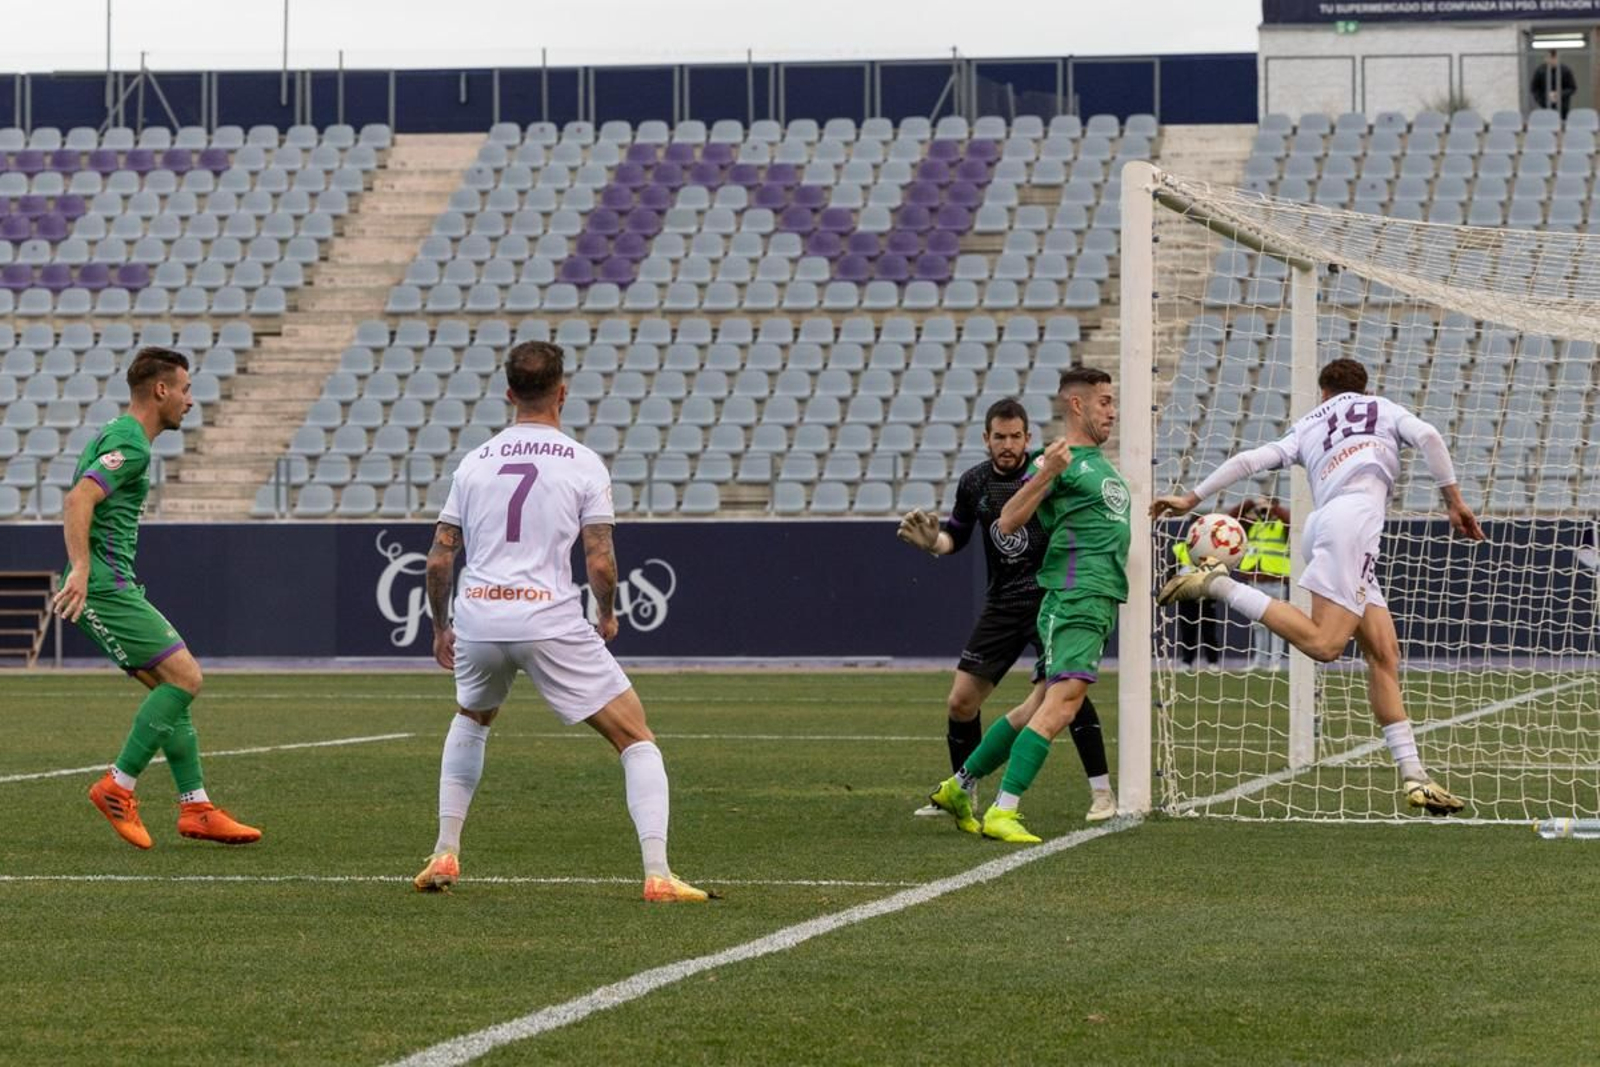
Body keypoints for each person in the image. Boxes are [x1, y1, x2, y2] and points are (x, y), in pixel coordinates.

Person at [414, 340, 710, 902]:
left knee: (473, 719)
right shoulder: (581, 463)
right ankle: (658, 873)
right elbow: (598, 556)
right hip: (546, 616)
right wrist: (607, 614)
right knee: (635, 738)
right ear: (563, 393)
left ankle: (445, 852)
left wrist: (439, 626)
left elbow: (439, 556)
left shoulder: (474, 463)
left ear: (508, 394)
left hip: (479, 617)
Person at [1152, 358, 1485, 815]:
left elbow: (1251, 460)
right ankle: (1220, 587)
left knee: (1384, 653)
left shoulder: (1310, 421)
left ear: (1324, 392)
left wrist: (1191, 498)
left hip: (1322, 523)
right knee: (1327, 645)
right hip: (1355, 521)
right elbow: (1429, 436)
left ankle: (1415, 776)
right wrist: (1455, 502)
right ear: (1364, 390)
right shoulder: (1382, 409)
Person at [52, 347, 260, 850]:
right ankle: (117, 786)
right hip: (104, 586)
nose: (190, 401)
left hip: (107, 583)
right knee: (187, 677)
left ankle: (196, 807)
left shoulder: (116, 434)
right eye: (185, 390)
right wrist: (81, 569)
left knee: (171, 693)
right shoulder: (132, 444)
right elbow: (80, 497)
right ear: (161, 390)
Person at [927, 367, 1130, 843]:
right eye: (1104, 401)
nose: (1113, 411)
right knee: (1064, 703)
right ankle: (1004, 809)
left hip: (1094, 597)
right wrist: (1050, 473)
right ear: (1077, 406)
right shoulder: (1053, 459)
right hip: (1075, 594)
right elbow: (1010, 518)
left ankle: (960, 787)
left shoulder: (1099, 464)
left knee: (1036, 703)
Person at [1231, 496, 1291, 670]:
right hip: (1255, 579)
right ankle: (1260, 660)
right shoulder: (1253, 525)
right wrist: (1251, 503)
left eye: (1266, 508)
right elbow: (1234, 519)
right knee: (1258, 624)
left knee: (1278, 624)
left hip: (1276, 579)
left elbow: (1288, 520)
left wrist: (1272, 507)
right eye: (1261, 508)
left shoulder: (1281, 525)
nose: (1263, 511)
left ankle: (1275, 662)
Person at [1168, 538, 1221, 671]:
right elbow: (1170, 572)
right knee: (1187, 631)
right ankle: (1187, 662)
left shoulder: (1212, 549)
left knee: (1209, 631)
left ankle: (1213, 662)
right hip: (1186, 598)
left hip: (1206, 596)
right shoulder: (1179, 549)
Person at [1531, 50, 1577, 118]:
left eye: (1554, 58)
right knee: (1547, 124)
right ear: (1545, 58)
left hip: (1562, 106)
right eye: (1549, 58)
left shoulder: (1565, 70)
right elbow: (1534, 88)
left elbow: (1572, 88)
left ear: (1557, 58)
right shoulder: (1540, 71)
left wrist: (1559, 94)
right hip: (1545, 105)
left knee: (1561, 124)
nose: (1551, 60)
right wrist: (1541, 100)